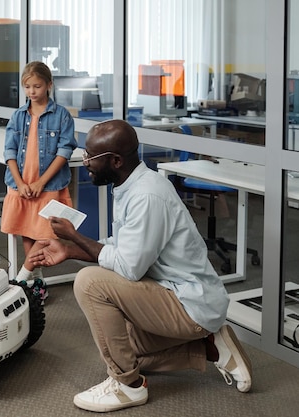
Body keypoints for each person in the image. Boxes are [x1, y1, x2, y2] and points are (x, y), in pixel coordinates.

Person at [27, 120, 252, 413]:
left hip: (189, 302)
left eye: (90, 158)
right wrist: (70, 250)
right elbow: (122, 249)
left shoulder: (147, 195)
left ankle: (127, 387)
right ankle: (209, 345)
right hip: (171, 292)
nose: (85, 164)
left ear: (115, 161)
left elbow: (129, 267)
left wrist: (74, 236)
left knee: (89, 283)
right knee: (121, 350)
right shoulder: (131, 185)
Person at [0, 61, 77, 302]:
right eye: (27, 87)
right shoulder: (18, 115)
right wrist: (20, 182)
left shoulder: (62, 115)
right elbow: (9, 151)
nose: (32, 91)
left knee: (44, 234)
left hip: (48, 186)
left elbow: (64, 152)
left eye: (37, 86)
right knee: (27, 231)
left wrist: (41, 182)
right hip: (21, 184)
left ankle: (22, 278)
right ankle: (38, 282)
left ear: (49, 85)